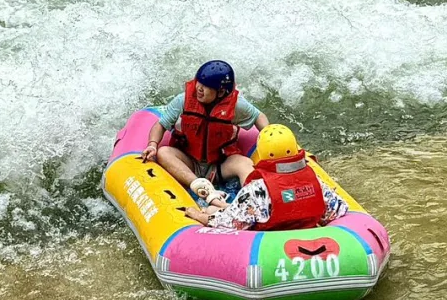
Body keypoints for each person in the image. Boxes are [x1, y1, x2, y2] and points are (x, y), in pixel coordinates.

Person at [183, 123, 349, 232]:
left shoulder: (257, 189)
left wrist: (201, 216)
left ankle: (216, 206)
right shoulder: (315, 181)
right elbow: (337, 210)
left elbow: (232, 223)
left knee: (212, 211)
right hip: (308, 232)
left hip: (269, 241)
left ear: (261, 154)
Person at [141, 60, 268, 200]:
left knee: (245, 163)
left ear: (220, 92)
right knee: (163, 152)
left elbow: (258, 116)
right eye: (199, 82)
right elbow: (161, 125)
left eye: (206, 86)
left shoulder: (236, 106)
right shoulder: (183, 100)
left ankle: (252, 201)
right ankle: (201, 186)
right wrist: (152, 144)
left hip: (219, 164)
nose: (199, 88)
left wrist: (268, 136)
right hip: (189, 162)